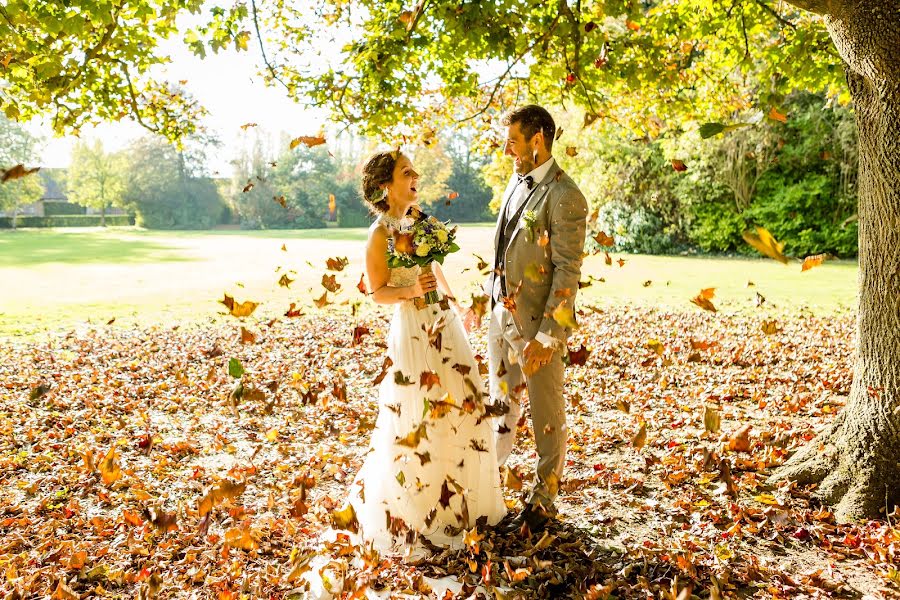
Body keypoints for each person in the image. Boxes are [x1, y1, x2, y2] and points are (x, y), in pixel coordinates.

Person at [346, 150, 507, 551]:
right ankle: (420, 506)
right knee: (421, 412)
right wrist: (410, 291)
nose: (416, 176)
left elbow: (435, 269)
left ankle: (466, 504)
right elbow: (377, 291)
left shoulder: (420, 220)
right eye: (407, 172)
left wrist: (457, 306)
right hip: (412, 329)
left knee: (465, 404)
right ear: (386, 185)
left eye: (414, 171)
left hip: (444, 324)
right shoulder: (379, 233)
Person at [487, 105, 589, 533]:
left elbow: (568, 273)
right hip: (500, 316)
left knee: (548, 415)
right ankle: (489, 486)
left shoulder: (567, 197)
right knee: (499, 406)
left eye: (512, 140)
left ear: (537, 140)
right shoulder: (515, 180)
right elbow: (506, 248)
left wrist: (547, 337)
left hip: (537, 330)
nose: (506, 148)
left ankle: (543, 501)